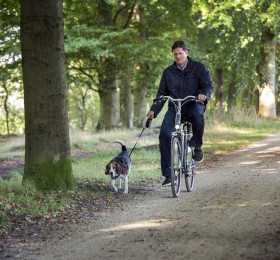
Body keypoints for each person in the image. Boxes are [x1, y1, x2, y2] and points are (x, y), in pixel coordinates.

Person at [147, 40, 213, 186]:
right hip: (174, 108)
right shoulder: (167, 72)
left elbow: (208, 85)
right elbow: (161, 94)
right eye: (175, 54)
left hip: (192, 104)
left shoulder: (199, 68)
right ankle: (168, 173)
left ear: (187, 53)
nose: (178, 56)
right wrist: (154, 110)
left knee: (198, 116)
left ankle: (196, 145)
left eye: (180, 53)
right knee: (164, 134)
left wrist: (204, 95)